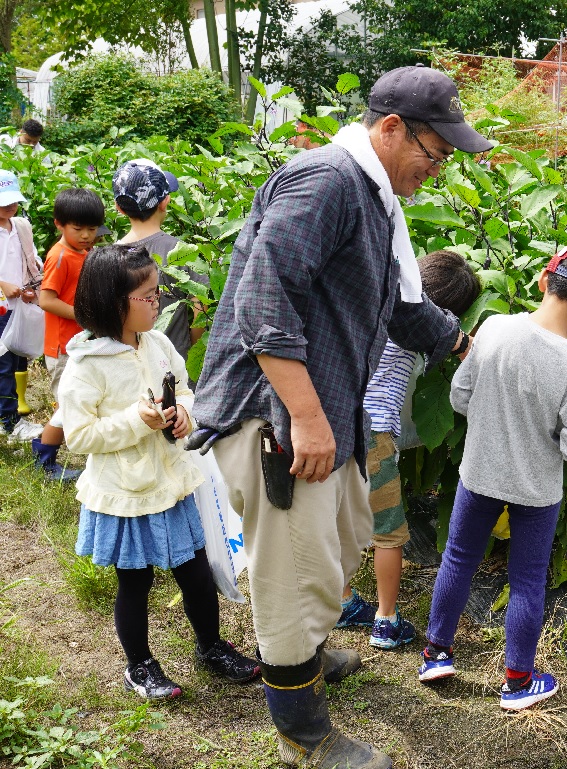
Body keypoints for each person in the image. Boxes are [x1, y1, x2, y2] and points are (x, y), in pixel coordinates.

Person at [192, 65, 493, 769]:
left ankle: (310, 651)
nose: (438, 169)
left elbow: (400, 304)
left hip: (319, 410)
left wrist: (463, 342)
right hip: (277, 417)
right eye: (435, 152)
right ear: (390, 129)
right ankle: (306, 732)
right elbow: (263, 300)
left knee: (340, 537)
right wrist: (306, 417)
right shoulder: (328, 181)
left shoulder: (374, 195)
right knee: (293, 574)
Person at [58, 244, 260, 700]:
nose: (157, 303)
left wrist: (184, 414)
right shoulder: (86, 368)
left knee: (195, 571)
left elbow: (185, 390)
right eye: (147, 296)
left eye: (157, 293)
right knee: (135, 581)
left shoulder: (159, 343)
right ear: (115, 303)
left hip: (171, 481)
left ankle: (210, 646)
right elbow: (80, 437)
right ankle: (140, 666)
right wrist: (136, 420)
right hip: (127, 492)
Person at [419, 242, 567, 712]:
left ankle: (436, 654)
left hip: (479, 473)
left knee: (459, 558)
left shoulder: (492, 328)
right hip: (537, 490)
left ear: (545, 282)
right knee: (527, 580)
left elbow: (460, 398)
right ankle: (518, 681)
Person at [337, 250, 482, 653]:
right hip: (376, 436)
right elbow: (455, 338)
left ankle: (343, 600)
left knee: (339, 517)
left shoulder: (376, 299)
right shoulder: (429, 326)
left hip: (339, 424)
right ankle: (385, 619)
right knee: (389, 532)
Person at [35, 188, 106, 482]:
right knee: (69, 405)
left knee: (77, 402)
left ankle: (47, 454)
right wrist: (84, 315)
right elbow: (46, 299)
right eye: (79, 229)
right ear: (59, 224)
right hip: (63, 347)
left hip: (77, 344)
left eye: (92, 229)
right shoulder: (61, 256)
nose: (87, 235)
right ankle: (44, 457)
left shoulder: (82, 252)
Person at [112, 158, 209, 361]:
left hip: (126, 360)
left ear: (119, 208)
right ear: (165, 202)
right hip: (174, 360)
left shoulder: (110, 257)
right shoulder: (182, 251)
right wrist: (191, 349)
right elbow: (201, 306)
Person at [0, 170, 42, 442]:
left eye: (13, 201)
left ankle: (12, 414)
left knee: (17, 360)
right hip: (2, 308)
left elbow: (32, 260)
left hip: (18, 306)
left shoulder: (20, 227)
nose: (10, 206)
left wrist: (30, 288)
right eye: (4, 202)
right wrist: (2, 284)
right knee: (3, 365)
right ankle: (8, 422)